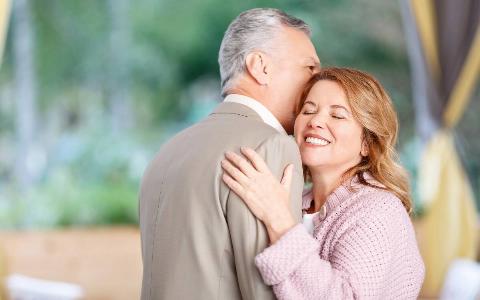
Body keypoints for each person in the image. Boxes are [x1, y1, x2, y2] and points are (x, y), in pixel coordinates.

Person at [138, 8, 320, 299]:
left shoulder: (169, 151)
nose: (317, 83)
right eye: (309, 68)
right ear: (261, 66)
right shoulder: (270, 147)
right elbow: (267, 291)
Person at [221, 67, 425, 299]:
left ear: (367, 144)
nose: (316, 121)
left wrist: (278, 221)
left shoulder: (379, 211)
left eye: (337, 115)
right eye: (308, 111)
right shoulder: (294, 199)